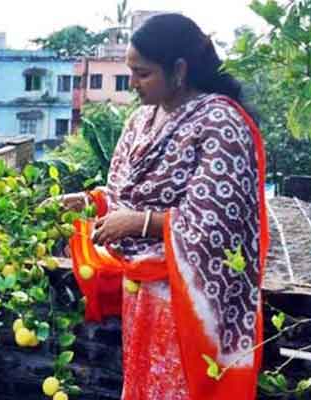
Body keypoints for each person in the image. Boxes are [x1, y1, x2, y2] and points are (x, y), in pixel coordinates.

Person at [58, 14, 269, 400]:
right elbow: (128, 194)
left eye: (142, 74)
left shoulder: (221, 122)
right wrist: (93, 202)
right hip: (140, 299)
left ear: (180, 70)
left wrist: (139, 224)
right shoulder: (141, 119)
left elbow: (220, 224)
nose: (132, 84)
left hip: (186, 302)